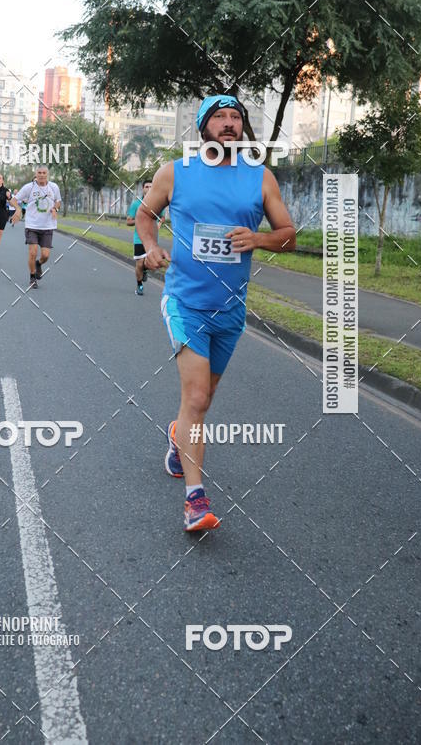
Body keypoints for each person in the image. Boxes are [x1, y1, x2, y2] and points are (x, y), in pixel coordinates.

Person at [136, 94, 296, 532]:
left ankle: (178, 435)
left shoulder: (260, 177)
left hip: (230, 309)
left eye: (235, 117)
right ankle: (195, 500)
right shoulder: (175, 172)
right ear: (203, 127)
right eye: (219, 117)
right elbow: (145, 216)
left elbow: (288, 235)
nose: (229, 124)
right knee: (197, 399)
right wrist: (150, 247)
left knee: (202, 399)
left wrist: (258, 239)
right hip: (185, 302)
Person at [13, 166, 61, 288]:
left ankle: (38, 264)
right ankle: (32, 277)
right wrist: (18, 209)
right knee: (33, 252)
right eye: (39, 172)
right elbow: (13, 200)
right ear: (36, 174)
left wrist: (55, 209)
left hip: (48, 226)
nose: (41, 175)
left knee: (45, 255)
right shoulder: (29, 187)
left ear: (47, 174)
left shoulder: (54, 187)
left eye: (44, 173)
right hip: (32, 225)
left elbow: (58, 201)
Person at [126, 179, 165, 296]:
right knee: (139, 263)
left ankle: (145, 270)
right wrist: (139, 220)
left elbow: (162, 217)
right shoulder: (136, 204)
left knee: (151, 263)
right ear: (143, 189)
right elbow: (128, 221)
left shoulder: (158, 203)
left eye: (151, 187)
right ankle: (139, 285)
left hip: (153, 239)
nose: (149, 189)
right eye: (146, 187)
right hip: (139, 238)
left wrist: (159, 223)